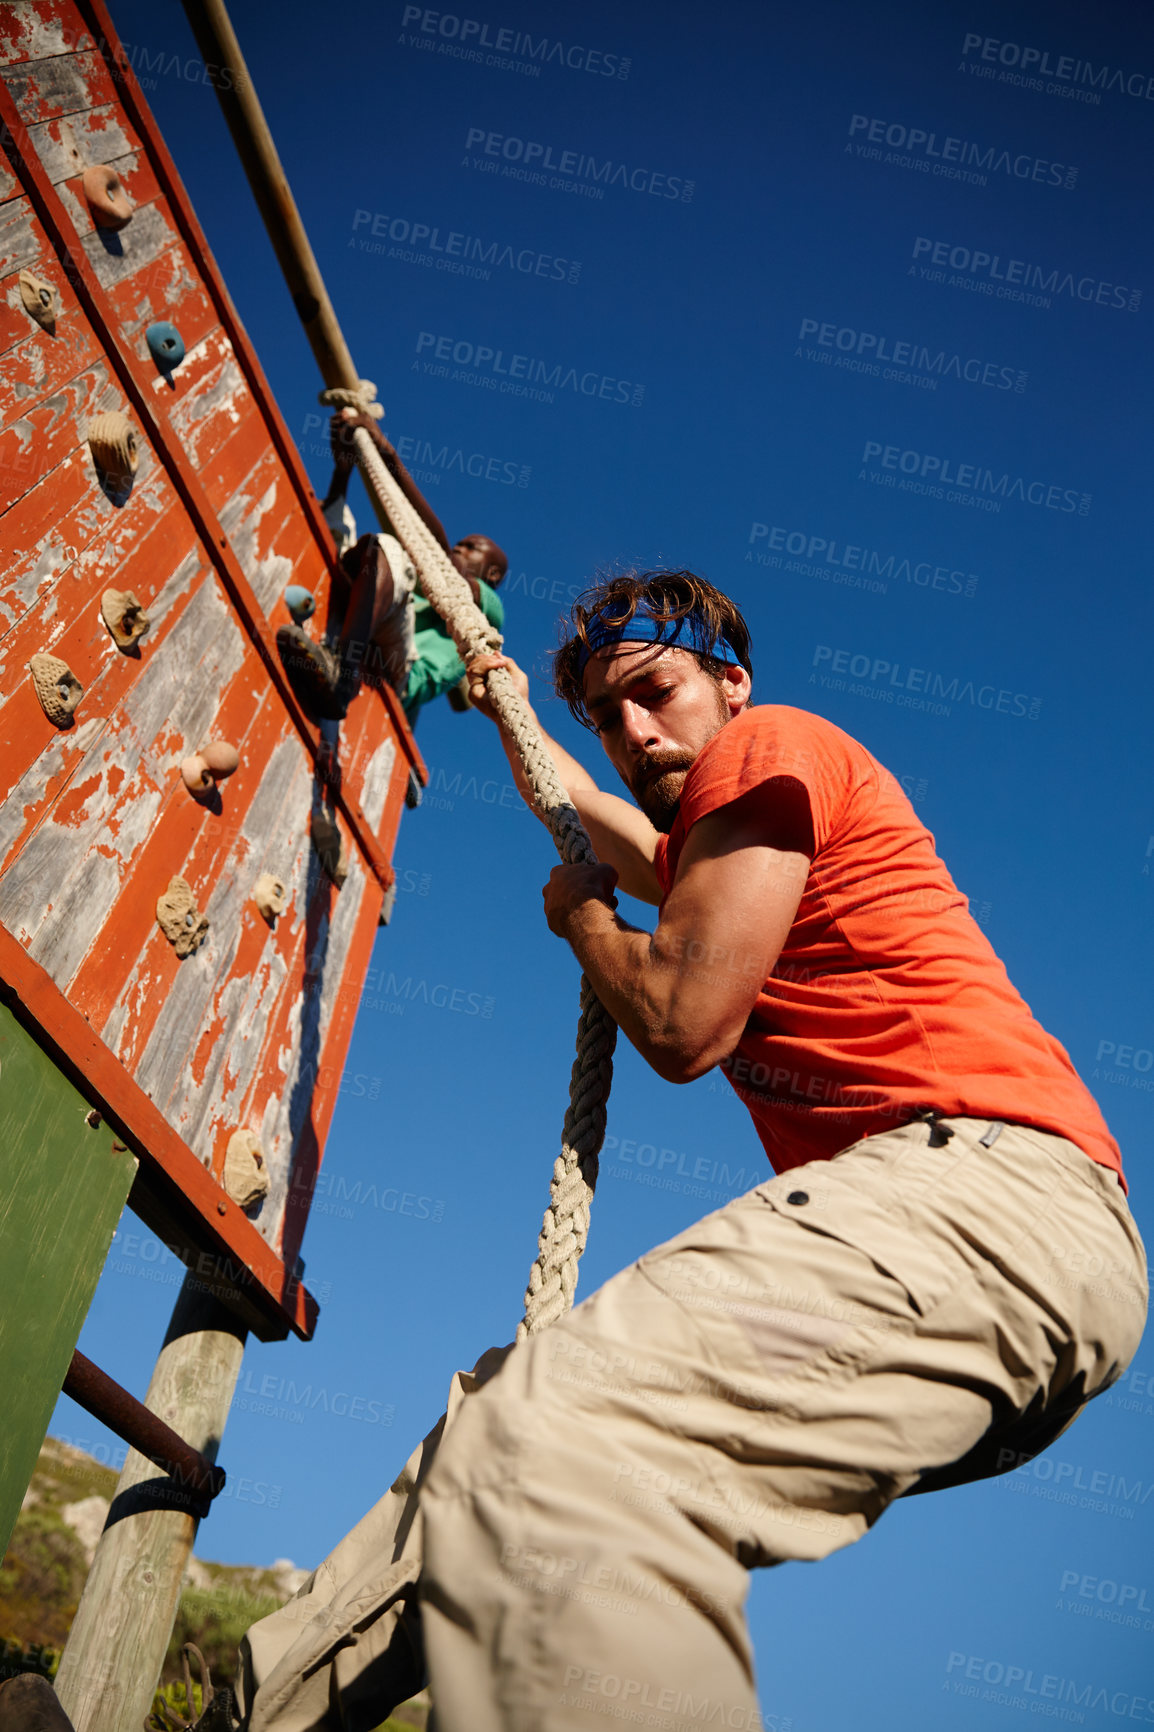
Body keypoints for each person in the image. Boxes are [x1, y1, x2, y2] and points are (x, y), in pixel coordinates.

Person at [223, 568, 1144, 1732]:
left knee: (562, 1448)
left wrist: (583, 919)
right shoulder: (726, 844)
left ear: (731, 684)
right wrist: (488, 691)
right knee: (486, 1452)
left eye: (655, 692)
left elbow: (678, 1019)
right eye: (609, 717)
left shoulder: (768, 749)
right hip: (1023, 1268)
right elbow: (570, 798)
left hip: (991, 1199)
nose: (634, 733)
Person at [276, 409, 507, 723]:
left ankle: (343, 674)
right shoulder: (413, 581)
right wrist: (343, 471)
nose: (458, 547)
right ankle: (343, 653)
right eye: (460, 544)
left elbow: (438, 551)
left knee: (390, 552)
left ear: (492, 573)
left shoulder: (489, 608)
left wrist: (387, 452)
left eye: (470, 548)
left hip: (399, 670)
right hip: (374, 620)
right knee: (361, 544)